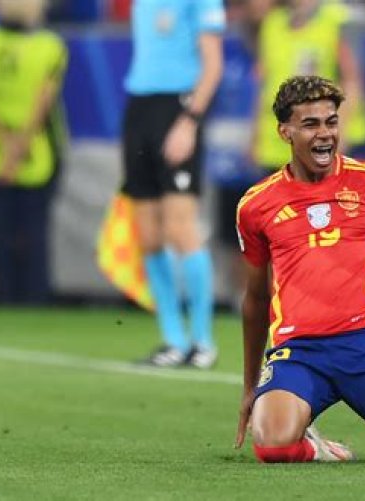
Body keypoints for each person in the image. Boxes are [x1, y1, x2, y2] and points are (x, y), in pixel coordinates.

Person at [234, 76, 365, 463]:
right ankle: (318, 448)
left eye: (331, 122)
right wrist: (251, 385)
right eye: (310, 124)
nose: (324, 134)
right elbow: (255, 298)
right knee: (273, 445)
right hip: (298, 350)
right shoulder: (256, 205)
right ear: (285, 132)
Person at [216, 0, 365, 311]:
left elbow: (353, 81)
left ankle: (335, 307)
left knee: (323, 232)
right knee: (276, 234)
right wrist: (254, 137)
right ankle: (285, 307)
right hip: (275, 146)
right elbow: (266, 85)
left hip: (318, 146)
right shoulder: (273, 24)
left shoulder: (337, 20)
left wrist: (338, 137)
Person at [121, 0, 225, 368]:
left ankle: (203, 341)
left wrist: (190, 120)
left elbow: (213, 64)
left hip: (178, 106)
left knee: (180, 227)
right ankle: (173, 340)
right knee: (148, 233)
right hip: (139, 106)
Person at [0, 0, 68, 304]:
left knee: (3, 230)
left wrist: (7, 144)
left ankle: (6, 296)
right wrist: (19, 146)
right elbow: (43, 104)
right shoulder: (50, 46)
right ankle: (35, 297)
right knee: (34, 231)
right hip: (38, 151)